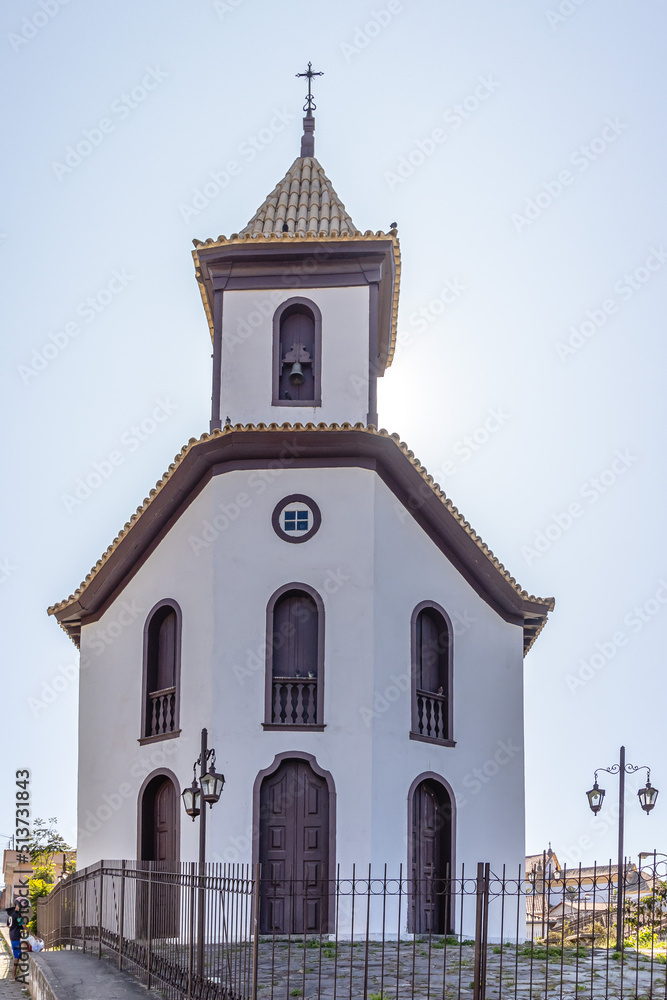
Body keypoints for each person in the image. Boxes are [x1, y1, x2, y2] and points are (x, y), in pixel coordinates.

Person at [8, 898, 27, 979]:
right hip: (15, 937)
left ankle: (13, 974)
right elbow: (24, 926)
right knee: (17, 956)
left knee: (17, 955)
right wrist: (35, 936)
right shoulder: (18, 915)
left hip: (12, 935)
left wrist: (15, 927)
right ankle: (13, 975)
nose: (23, 908)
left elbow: (8, 925)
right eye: (22, 906)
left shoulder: (11, 913)